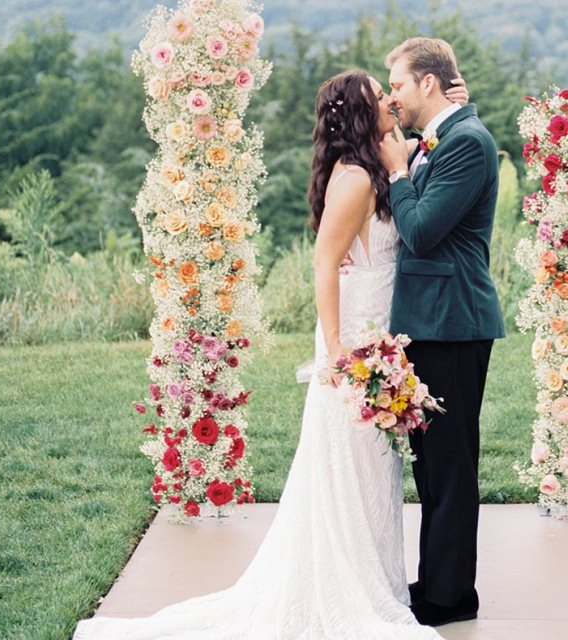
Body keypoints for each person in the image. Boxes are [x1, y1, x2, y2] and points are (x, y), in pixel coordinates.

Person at [73, 69, 467, 640]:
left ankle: (375, 581)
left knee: (375, 467)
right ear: (361, 116)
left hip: (382, 326)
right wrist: (337, 351)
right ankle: (343, 587)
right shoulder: (355, 177)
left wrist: (452, 105)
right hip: (356, 335)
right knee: (350, 460)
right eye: (381, 97)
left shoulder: (379, 162)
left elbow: (420, 142)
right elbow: (324, 263)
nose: (390, 101)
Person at [378, 37, 505, 627]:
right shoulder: (445, 137)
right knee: (432, 465)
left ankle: (450, 598)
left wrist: (399, 172)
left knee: (451, 466)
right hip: (430, 323)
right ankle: (440, 580)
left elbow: (423, 230)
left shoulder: (468, 145)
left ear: (428, 83)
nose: (392, 96)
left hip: (452, 323)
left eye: (398, 84)